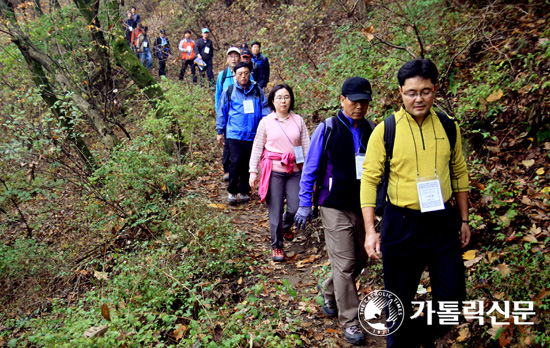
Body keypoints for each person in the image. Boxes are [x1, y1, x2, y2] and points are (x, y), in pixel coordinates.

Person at [361, 59, 470, 348]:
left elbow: (459, 172)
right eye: (411, 92)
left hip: (442, 223)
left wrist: (464, 219)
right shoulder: (386, 130)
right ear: (401, 93)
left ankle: (413, 338)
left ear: (435, 90)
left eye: (425, 91)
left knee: (453, 304)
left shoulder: (447, 126)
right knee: (398, 300)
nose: (418, 98)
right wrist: (371, 231)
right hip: (402, 223)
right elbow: (369, 181)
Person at [294, 77, 375, 345]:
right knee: (345, 263)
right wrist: (305, 203)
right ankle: (350, 320)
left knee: (362, 259)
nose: (359, 107)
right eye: (354, 101)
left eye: (364, 102)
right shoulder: (328, 128)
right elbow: (311, 168)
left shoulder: (372, 130)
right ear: (342, 100)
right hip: (333, 205)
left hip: (364, 205)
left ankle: (328, 289)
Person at [249, 84, 310, 262]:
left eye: (286, 97)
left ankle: (285, 226)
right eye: (279, 97)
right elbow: (257, 148)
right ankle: (277, 246)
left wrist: (310, 172)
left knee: (296, 206)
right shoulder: (266, 122)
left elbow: (306, 147)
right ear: (272, 101)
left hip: (295, 171)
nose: (283, 101)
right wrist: (253, 172)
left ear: (291, 99)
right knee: (274, 210)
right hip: (273, 171)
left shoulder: (299, 120)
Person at [216, 62, 269, 205]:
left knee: (248, 163)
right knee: (235, 162)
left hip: (253, 134)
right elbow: (222, 112)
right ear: (235, 75)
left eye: (246, 73)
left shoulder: (257, 90)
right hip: (234, 134)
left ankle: (244, 190)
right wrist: (220, 131)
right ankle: (232, 191)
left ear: (250, 73)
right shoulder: (229, 91)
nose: (243, 76)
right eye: (240, 74)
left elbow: (265, 109)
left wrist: (267, 128)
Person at [216, 47, 242, 182]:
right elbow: (218, 96)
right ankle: (227, 169)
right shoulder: (223, 75)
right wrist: (219, 117)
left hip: (242, 116)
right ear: (227, 59)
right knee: (228, 142)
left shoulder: (246, 73)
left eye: (235, 56)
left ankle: (239, 170)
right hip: (227, 115)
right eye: (230, 56)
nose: (233, 58)